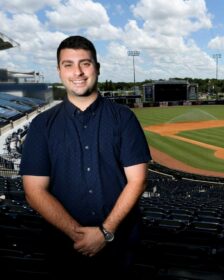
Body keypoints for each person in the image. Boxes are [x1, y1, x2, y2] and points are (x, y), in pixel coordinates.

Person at [19, 35, 151, 278]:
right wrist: (77, 234)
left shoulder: (123, 118)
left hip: (119, 244)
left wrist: (105, 232)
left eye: (85, 63)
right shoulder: (42, 125)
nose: (77, 72)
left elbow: (138, 180)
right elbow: (34, 190)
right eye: (68, 64)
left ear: (97, 68)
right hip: (64, 246)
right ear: (59, 71)